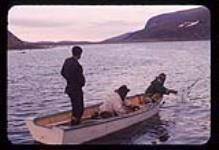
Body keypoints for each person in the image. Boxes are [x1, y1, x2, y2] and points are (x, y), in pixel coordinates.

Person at [61, 46, 85, 125]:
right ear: (80, 54)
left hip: (69, 88)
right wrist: (80, 83)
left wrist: (69, 80)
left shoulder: (67, 61)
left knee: (75, 107)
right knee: (79, 108)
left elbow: (62, 72)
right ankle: (75, 124)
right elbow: (81, 80)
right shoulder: (77, 66)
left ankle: (74, 121)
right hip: (76, 89)